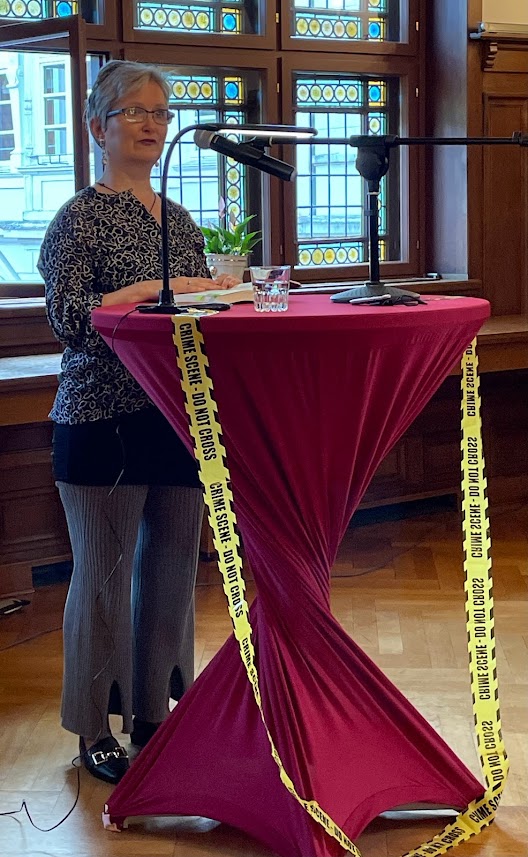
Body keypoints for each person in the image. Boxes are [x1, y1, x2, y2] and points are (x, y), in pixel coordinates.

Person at [38, 59, 240, 785]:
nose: (153, 124)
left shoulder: (178, 220)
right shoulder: (77, 218)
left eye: (161, 112)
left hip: (176, 416)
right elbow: (70, 319)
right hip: (99, 416)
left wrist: (219, 295)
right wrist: (156, 288)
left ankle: (155, 714)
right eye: (136, 111)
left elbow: (189, 315)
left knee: (172, 571)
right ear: (98, 127)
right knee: (102, 576)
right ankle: (95, 728)